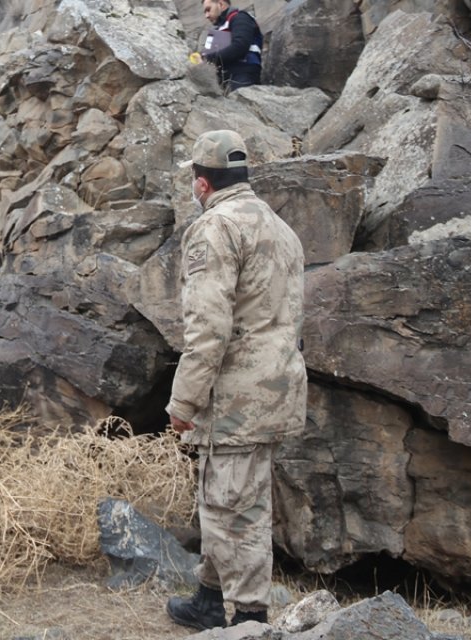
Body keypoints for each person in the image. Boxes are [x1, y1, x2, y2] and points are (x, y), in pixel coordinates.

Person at [165, 130, 306, 630]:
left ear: (202, 183)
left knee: (232, 507)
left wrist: (183, 402)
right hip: (277, 388)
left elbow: (208, 329)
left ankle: (248, 616)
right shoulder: (279, 227)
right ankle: (208, 595)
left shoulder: (214, 228)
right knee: (230, 497)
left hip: (236, 396)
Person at [199, 0, 263, 92]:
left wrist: (207, 58)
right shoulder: (216, 30)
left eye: (208, 10)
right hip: (222, 78)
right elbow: (207, 53)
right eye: (205, 12)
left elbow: (240, 47)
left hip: (242, 73)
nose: (207, 16)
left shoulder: (241, 17)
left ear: (220, 4)